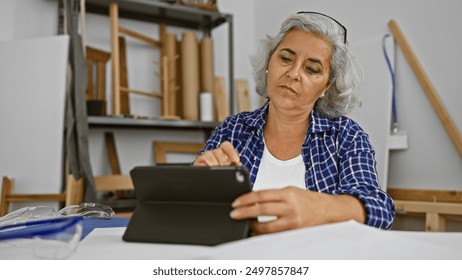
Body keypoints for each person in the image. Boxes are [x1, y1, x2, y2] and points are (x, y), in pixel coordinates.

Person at [193, 11, 395, 234]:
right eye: (286, 58)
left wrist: (323, 208)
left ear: (327, 87)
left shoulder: (346, 136)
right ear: (269, 62)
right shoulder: (233, 129)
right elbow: (189, 208)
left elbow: (380, 211)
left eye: (312, 69)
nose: (293, 73)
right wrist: (196, 182)